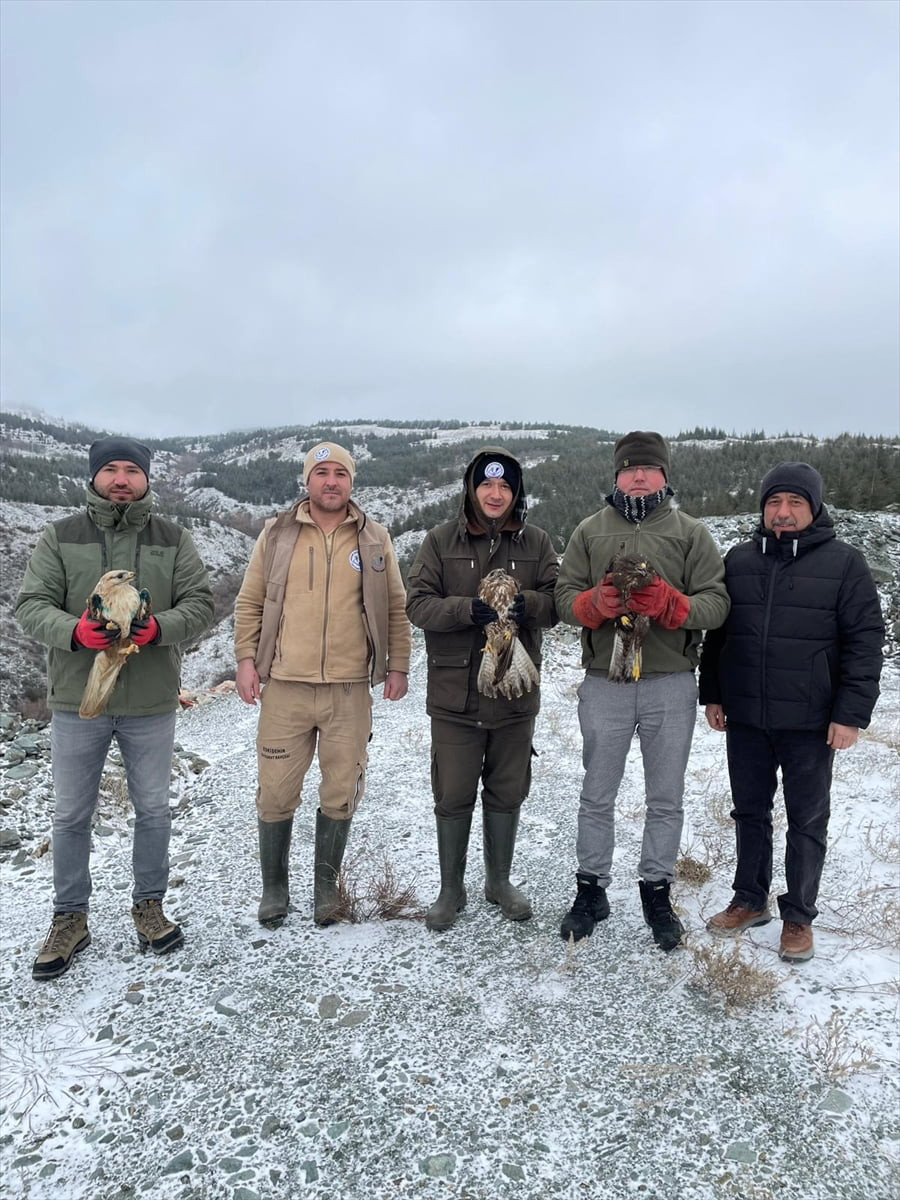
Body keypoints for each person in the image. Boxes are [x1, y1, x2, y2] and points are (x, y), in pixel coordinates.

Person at [16, 437, 214, 980]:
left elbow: (200, 603)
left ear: (146, 478)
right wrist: (74, 632)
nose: (121, 479)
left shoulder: (173, 538)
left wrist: (160, 628)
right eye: (110, 470)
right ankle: (69, 917)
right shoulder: (61, 536)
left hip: (150, 700)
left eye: (132, 470)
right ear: (94, 477)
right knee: (71, 815)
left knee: (153, 810)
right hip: (77, 699)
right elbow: (30, 605)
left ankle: (149, 906)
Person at [700, 462, 883, 962]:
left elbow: (865, 643)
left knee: (806, 819)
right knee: (749, 812)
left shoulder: (845, 564)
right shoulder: (739, 560)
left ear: (814, 508)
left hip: (811, 720)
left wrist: (850, 714)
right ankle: (749, 899)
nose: (783, 512)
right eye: (774, 502)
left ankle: (798, 915)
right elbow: (718, 635)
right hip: (747, 715)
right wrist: (713, 693)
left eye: (795, 503)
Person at [555, 431, 730, 951]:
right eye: (629, 468)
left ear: (663, 475)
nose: (637, 476)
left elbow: (717, 602)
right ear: (616, 475)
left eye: (648, 468)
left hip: (669, 682)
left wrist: (676, 606)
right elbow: (563, 596)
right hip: (604, 683)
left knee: (665, 797)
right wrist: (592, 604)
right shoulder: (590, 531)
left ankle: (657, 890)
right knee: (597, 793)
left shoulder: (690, 533)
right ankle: (591, 889)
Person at [234, 441, 411, 928]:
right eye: (322, 472)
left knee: (340, 789)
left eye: (340, 473)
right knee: (275, 791)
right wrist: (246, 661)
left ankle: (326, 888)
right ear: (307, 480)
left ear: (351, 481)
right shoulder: (277, 533)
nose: (331, 481)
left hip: (349, 689)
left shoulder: (374, 538)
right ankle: (275, 888)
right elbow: (250, 601)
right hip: (285, 686)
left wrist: (398, 665)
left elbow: (395, 607)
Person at [405, 448, 558, 931]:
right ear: (471, 489)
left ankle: (499, 881)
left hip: (515, 694)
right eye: (487, 485)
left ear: (516, 493)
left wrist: (528, 605)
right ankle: (451, 889)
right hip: (456, 696)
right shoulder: (439, 540)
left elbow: (557, 602)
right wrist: (463, 610)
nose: (496, 494)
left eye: (505, 486)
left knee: (507, 791)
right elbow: (417, 604)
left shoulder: (536, 542)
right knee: (452, 794)